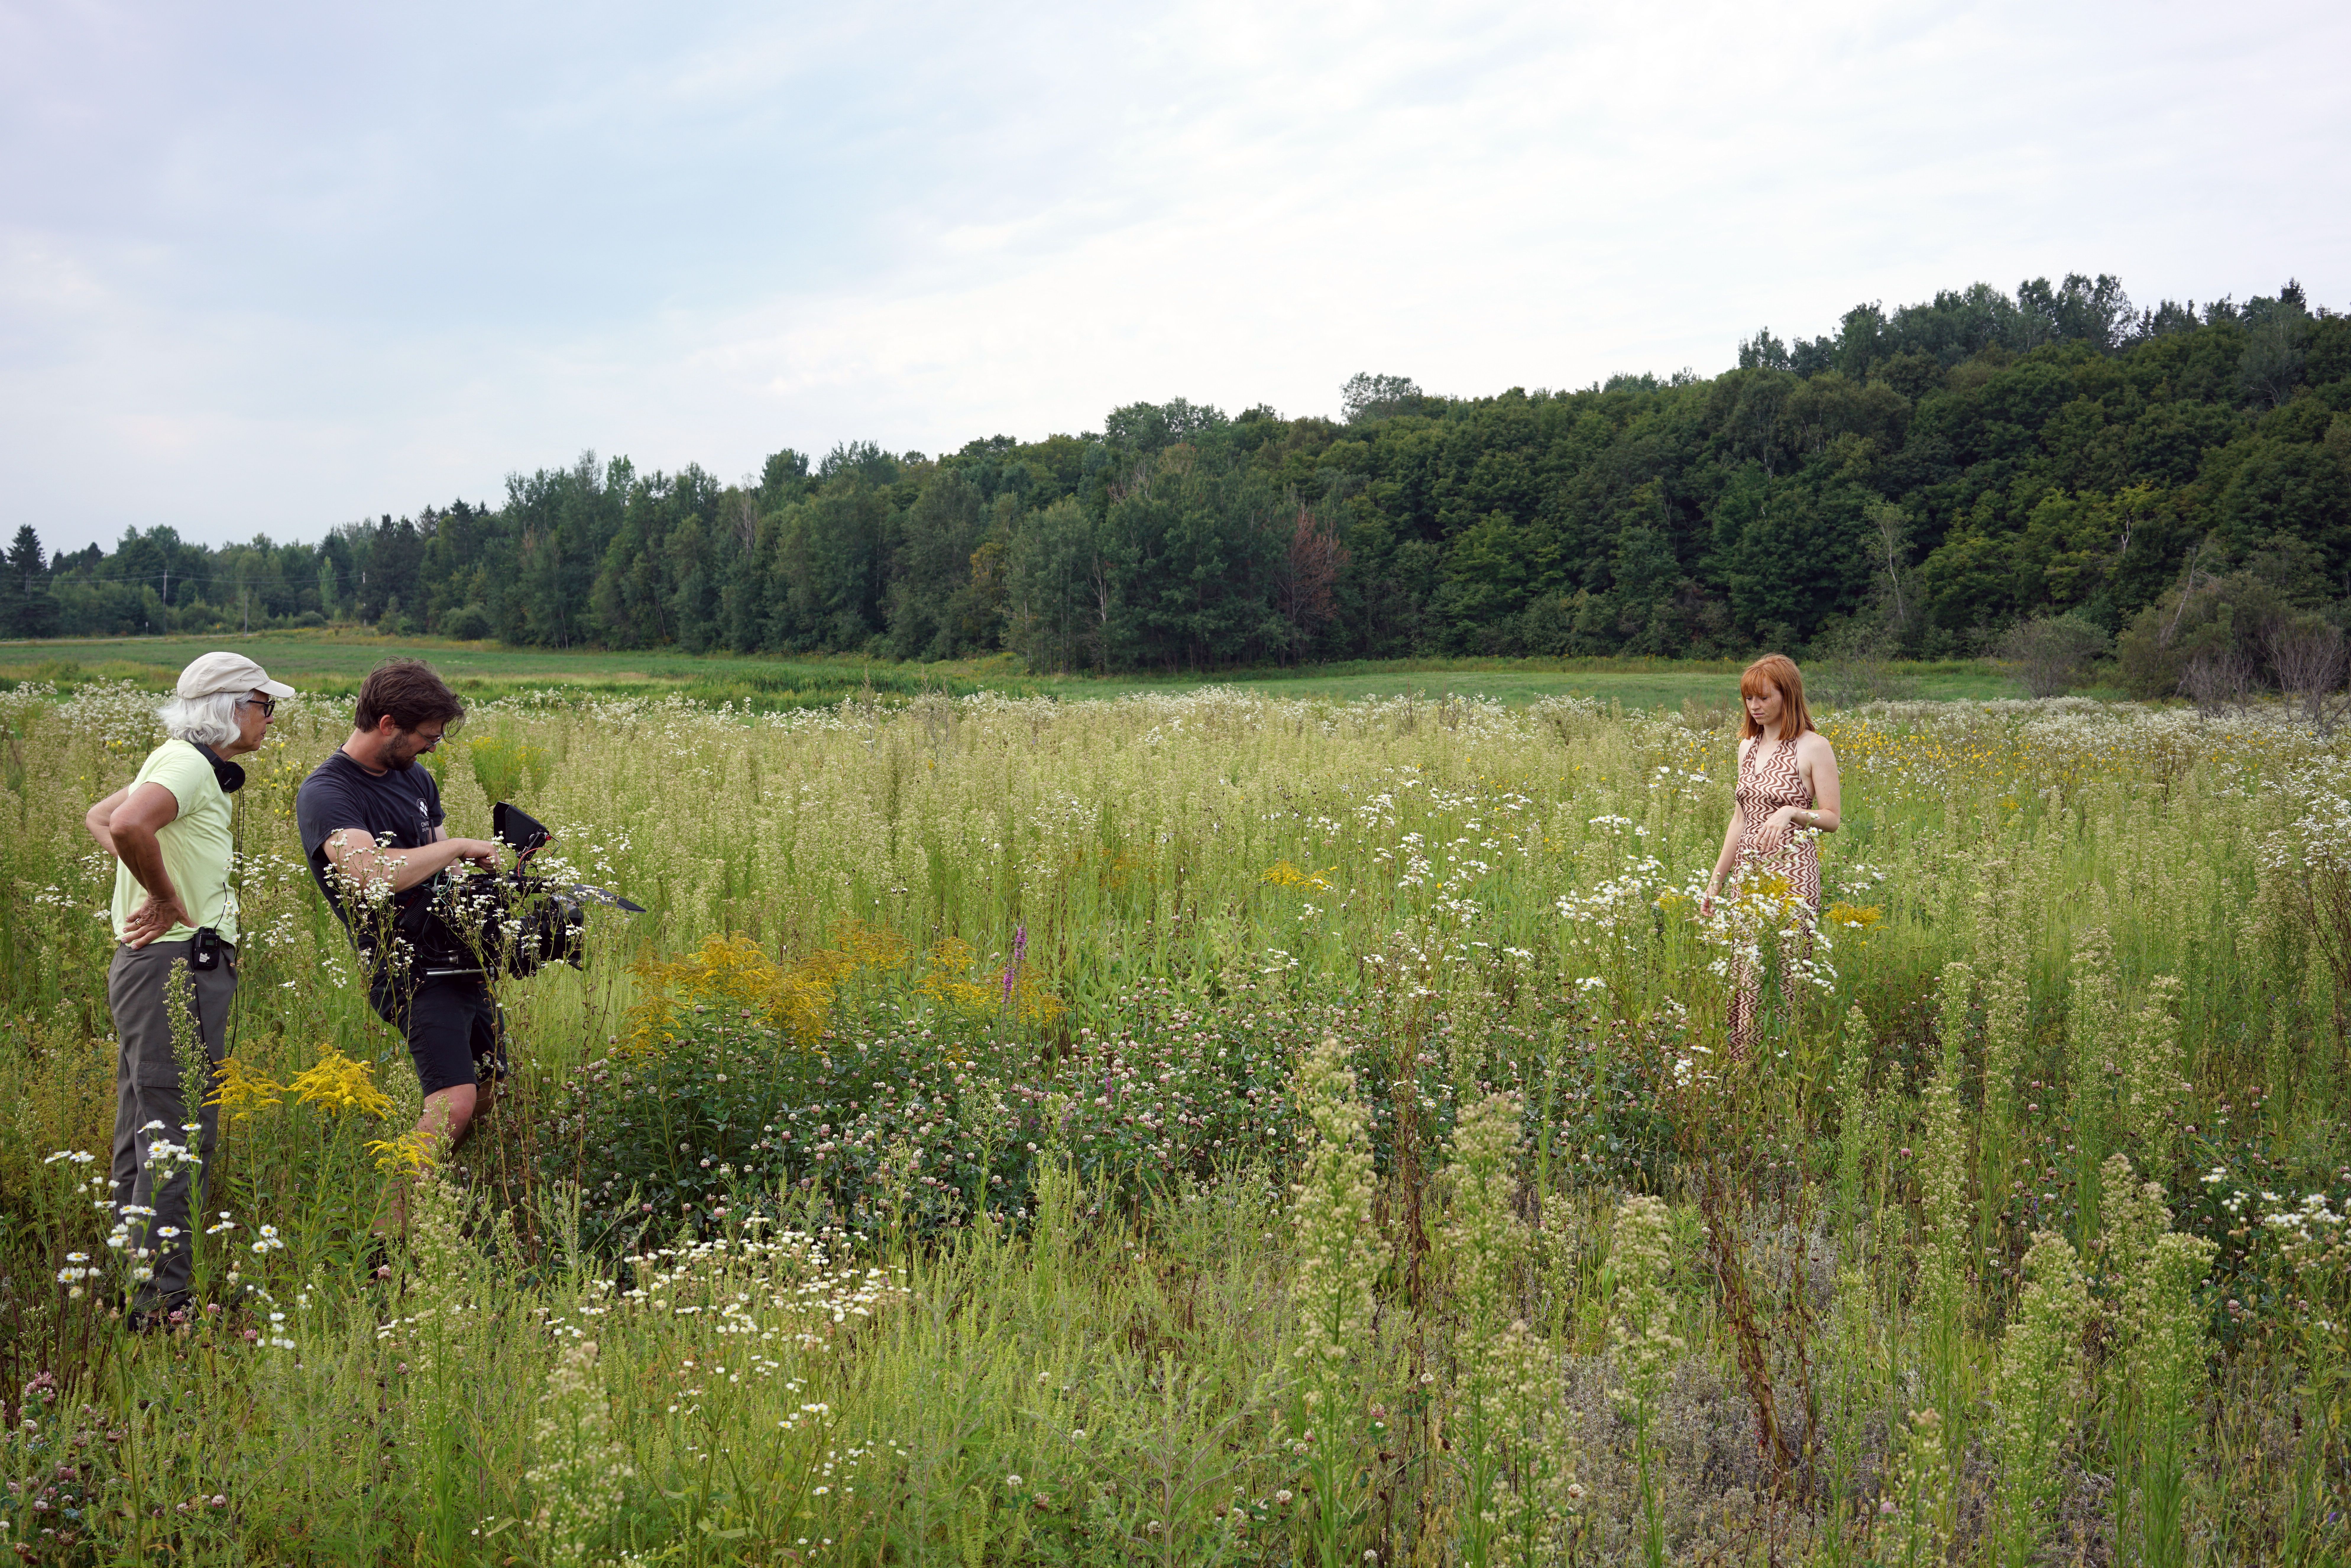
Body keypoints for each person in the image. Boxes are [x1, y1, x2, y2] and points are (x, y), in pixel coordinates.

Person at [85, 652, 292, 1326]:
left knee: (145, 1125)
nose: (269, 719)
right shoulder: (187, 764)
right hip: (176, 963)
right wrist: (167, 898)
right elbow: (121, 824)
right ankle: (162, 1303)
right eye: (265, 706)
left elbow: (101, 816)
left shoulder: (173, 758)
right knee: (176, 1130)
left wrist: (159, 878)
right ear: (230, 709)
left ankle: (143, 1280)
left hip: (155, 963)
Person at [294, 661, 508, 1197]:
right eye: (426, 737)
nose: (432, 749)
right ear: (388, 724)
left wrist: (482, 887)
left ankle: (427, 1191)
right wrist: (456, 846)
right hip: (405, 966)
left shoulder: (415, 777)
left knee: (489, 1088)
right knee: (454, 1099)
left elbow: (440, 864)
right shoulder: (327, 793)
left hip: (455, 954)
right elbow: (369, 873)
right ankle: (387, 1235)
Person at [1700, 654, 1842, 1060]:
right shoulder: (1747, 746)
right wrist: (1716, 881)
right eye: (1748, 699)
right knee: (1747, 973)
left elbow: (1832, 819)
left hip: (1794, 876)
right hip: (1749, 875)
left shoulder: (1815, 747)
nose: (1755, 707)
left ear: (1788, 694)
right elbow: (1739, 819)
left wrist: (1793, 812)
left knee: (1783, 973)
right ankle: (1744, 1066)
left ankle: (1779, 1063)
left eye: (1763, 697)